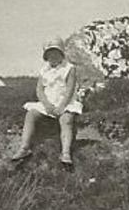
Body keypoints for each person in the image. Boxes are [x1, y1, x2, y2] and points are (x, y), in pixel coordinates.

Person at [10, 40, 83, 168]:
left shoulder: (69, 68)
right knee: (31, 114)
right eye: (50, 54)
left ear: (61, 54)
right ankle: (25, 147)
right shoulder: (44, 70)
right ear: (46, 57)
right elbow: (39, 89)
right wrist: (47, 104)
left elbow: (70, 90)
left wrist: (61, 107)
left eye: (56, 53)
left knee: (66, 120)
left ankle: (65, 152)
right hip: (48, 103)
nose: (53, 57)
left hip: (65, 102)